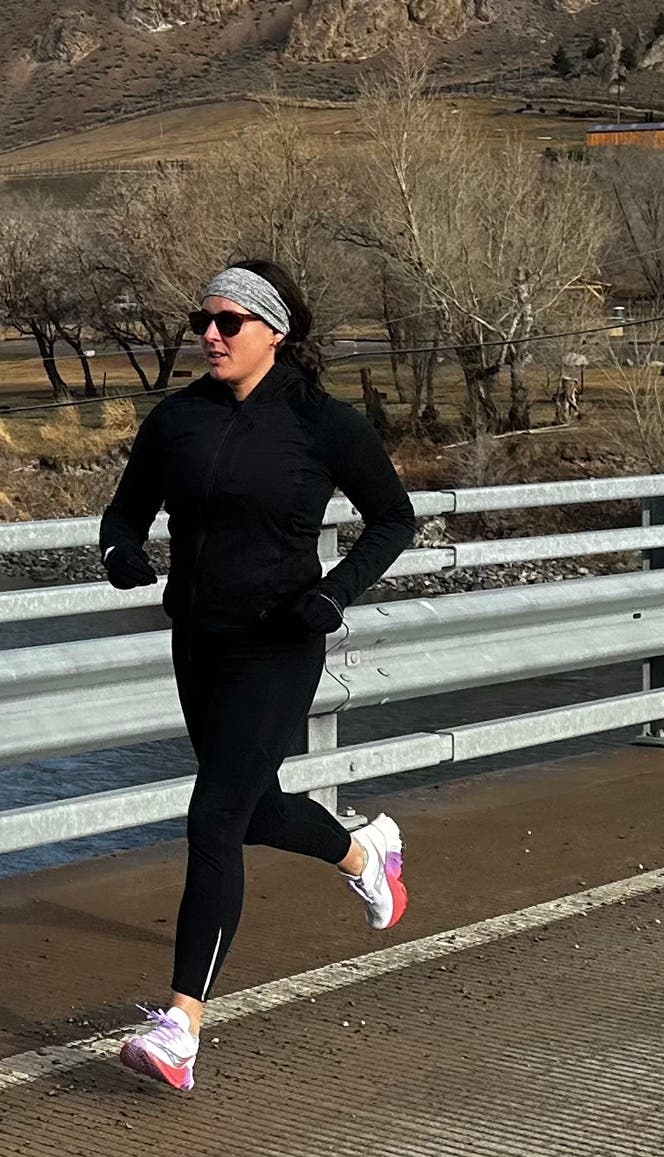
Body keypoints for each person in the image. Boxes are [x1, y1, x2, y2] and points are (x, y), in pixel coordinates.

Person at [100, 258, 418, 1093]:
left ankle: (181, 1028)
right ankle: (364, 853)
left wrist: (335, 592)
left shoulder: (321, 422)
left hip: (280, 640)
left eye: (228, 322)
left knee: (212, 816)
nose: (210, 334)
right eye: (203, 320)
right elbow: (125, 509)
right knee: (249, 809)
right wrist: (120, 552)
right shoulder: (176, 423)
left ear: (272, 330)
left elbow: (394, 516)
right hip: (198, 641)